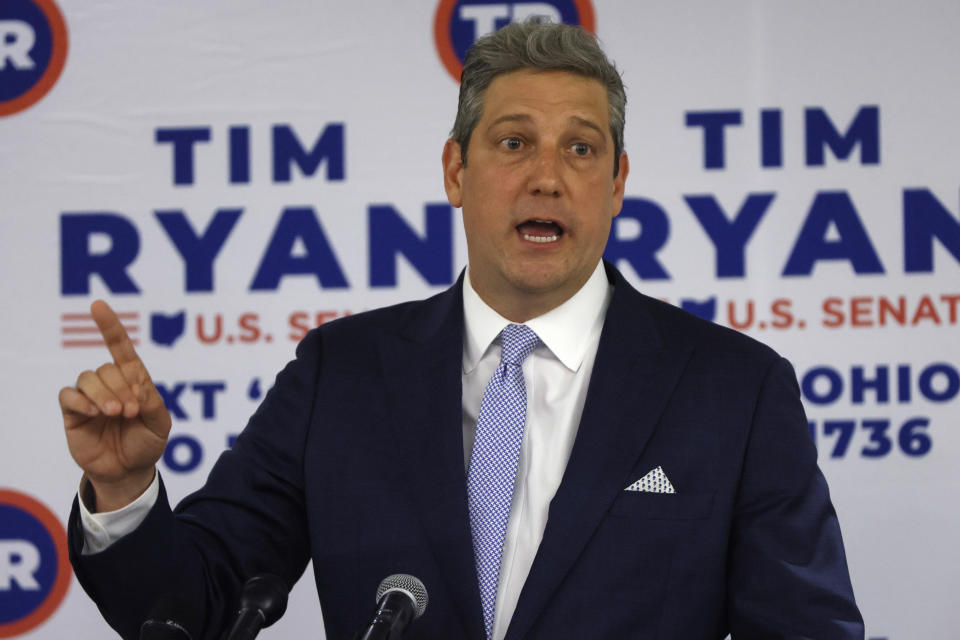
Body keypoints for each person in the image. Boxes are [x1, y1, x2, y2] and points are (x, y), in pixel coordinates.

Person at [61, 20, 864, 640]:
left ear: (618, 183)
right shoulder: (342, 374)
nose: (548, 175)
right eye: (514, 142)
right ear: (456, 172)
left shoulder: (734, 390)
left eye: (581, 149)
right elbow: (190, 606)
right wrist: (125, 493)